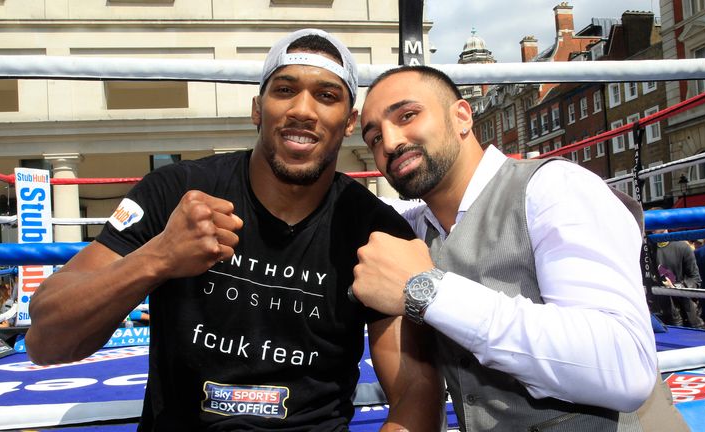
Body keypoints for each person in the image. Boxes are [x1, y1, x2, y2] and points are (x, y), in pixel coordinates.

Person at [26, 30, 442, 431]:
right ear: (257, 109)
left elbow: (415, 388)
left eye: (326, 96)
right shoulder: (175, 191)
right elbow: (46, 341)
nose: (302, 109)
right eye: (284, 90)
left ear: (349, 121)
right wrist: (159, 258)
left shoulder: (376, 231)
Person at [352, 65, 688, 431]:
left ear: (462, 116)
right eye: (373, 138)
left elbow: (626, 367)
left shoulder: (555, 189)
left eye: (408, 115)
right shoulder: (416, 228)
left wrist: (429, 290)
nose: (389, 141)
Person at [650, 228, 705, 328]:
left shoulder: (682, 247)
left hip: (684, 314)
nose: (652, 228)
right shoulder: (647, 250)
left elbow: (695, 279)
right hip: (657, 315)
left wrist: (675, 287)